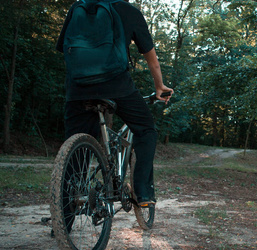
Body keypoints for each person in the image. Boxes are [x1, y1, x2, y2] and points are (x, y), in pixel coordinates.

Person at [56, 0, 173, 207]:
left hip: (77, 88)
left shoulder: (78, 8)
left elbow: (65, 49)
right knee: (146, 129)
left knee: (74, 153)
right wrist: (159, 87)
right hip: (117, 87)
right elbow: (152, 60)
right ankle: (142, 193)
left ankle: (64, 218)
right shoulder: (128, 11)